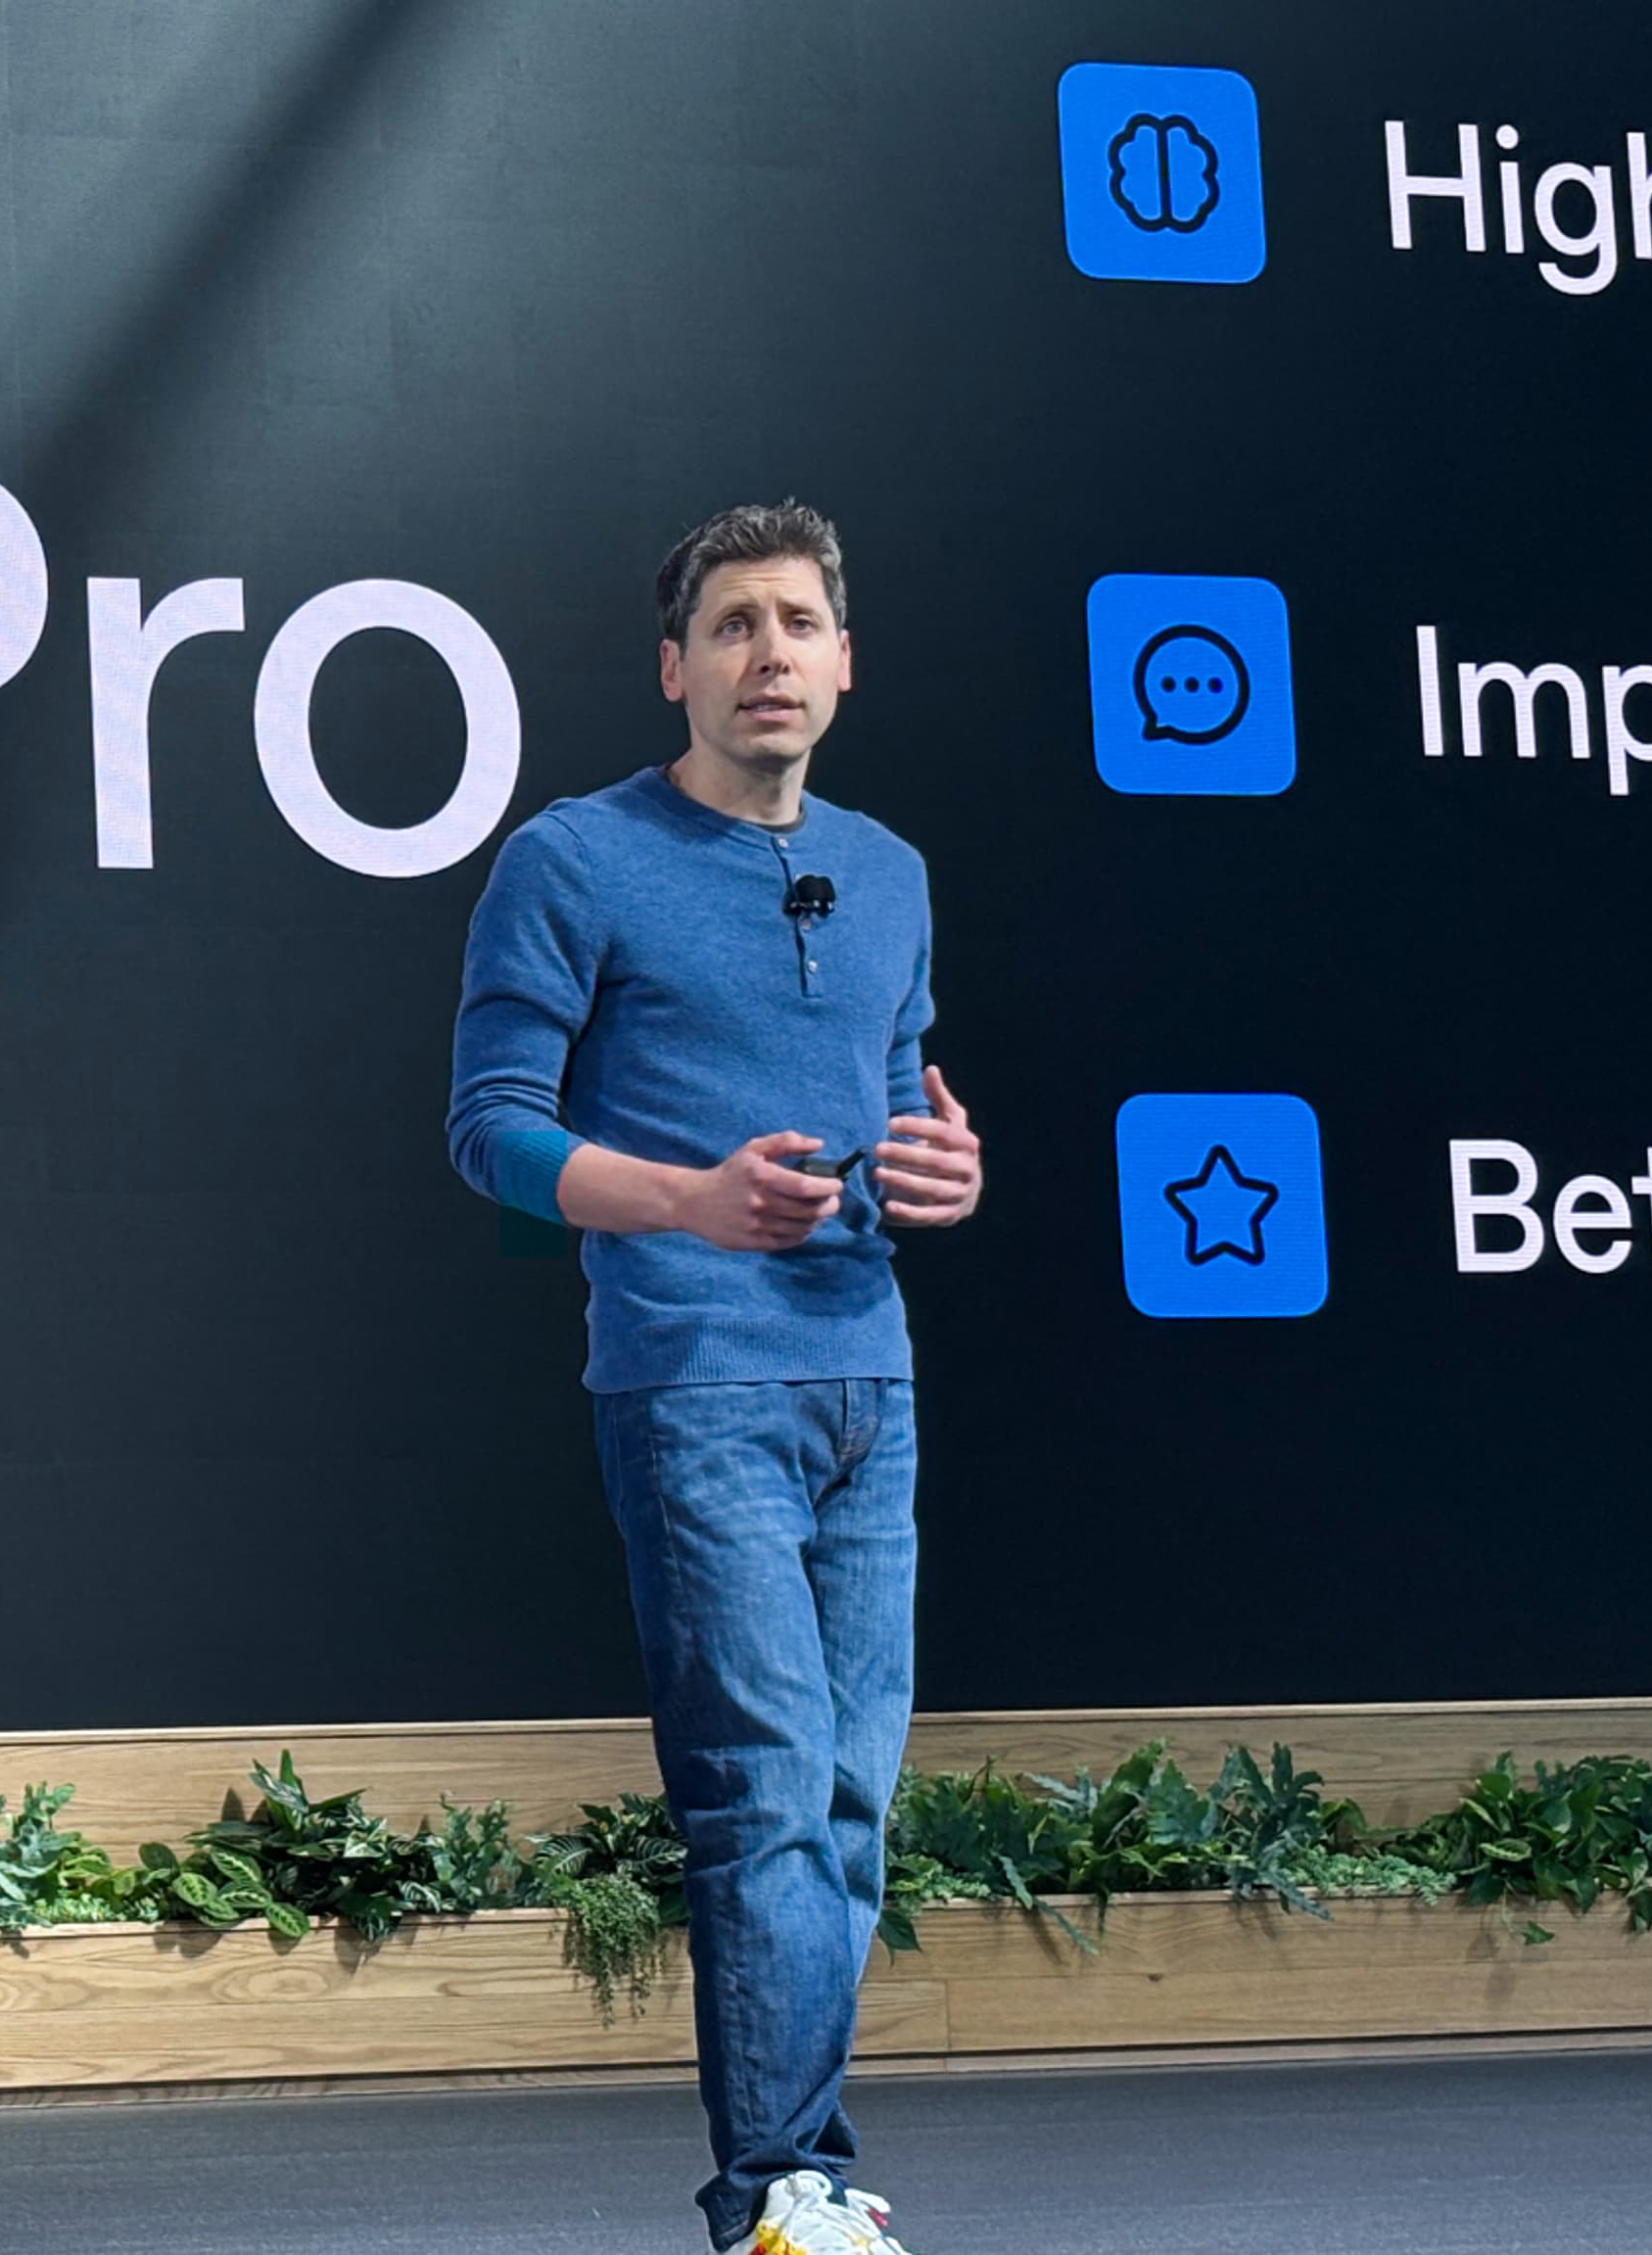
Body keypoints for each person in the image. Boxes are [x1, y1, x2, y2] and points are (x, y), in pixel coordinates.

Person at [444, 501, 983, 2255]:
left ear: (844, 663)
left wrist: (938, 1167)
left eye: (798, 623)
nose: (769, 654)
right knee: (761, 1793)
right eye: (734, 625)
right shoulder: (573, 858)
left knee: (846, 1806)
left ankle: (801, 2173)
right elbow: (490, 1132)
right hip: (691, 1382)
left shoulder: (887, 872)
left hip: (866, 1379)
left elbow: (895, 1097)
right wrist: (684, 1200)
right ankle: (776, 2189)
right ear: (673, 667)